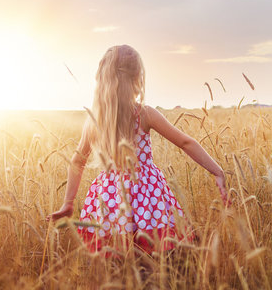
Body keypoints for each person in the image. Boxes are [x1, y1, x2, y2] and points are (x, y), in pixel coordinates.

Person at [47, 45, 230, 254]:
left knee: (116, 256)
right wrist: (217, 171)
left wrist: (68, 203)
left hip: (109, 197)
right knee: (154, 256)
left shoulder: (94, 120)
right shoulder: (144, 113)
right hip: (148, 195)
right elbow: (185, 142)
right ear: (137, 78)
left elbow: (77, 161)